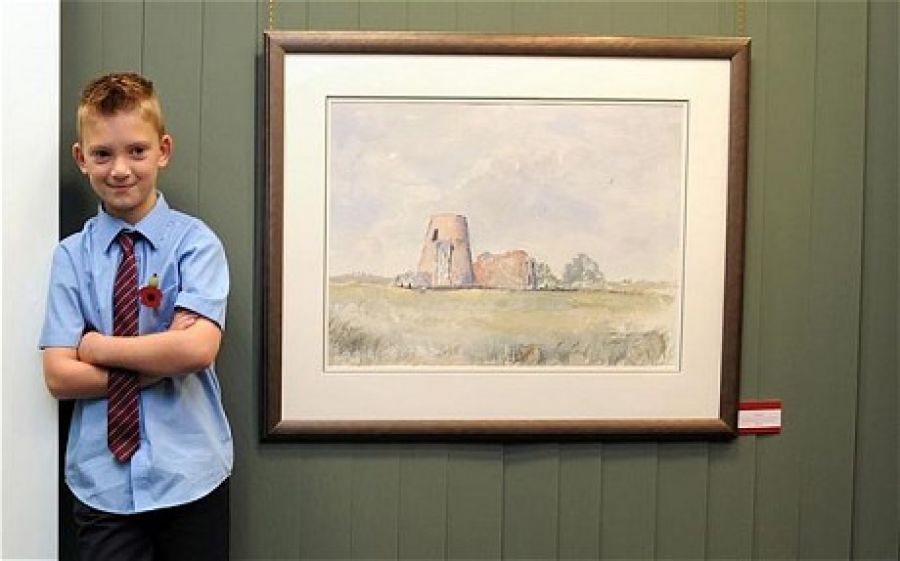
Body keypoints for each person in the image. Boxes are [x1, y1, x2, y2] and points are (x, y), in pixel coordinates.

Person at [40, 72, 232, 560]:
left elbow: (196, 350)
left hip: (191, 475)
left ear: (163, 150)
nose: (120, 169)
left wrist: (96, 346)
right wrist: (158, 364)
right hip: (101, 485)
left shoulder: (195, 245)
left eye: (137, 151)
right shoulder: (71, 257)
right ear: (81, 159)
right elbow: (59, 375)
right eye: (103, 154)